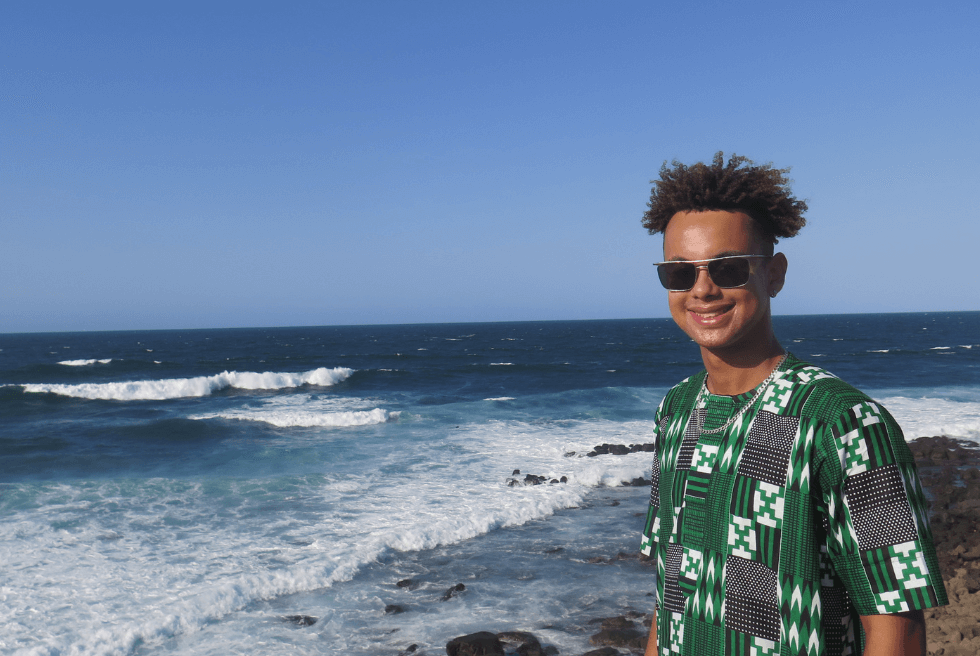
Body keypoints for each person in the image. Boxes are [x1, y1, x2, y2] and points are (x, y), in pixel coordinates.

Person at [638, 153, 947, 656]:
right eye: (678, 274)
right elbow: (670, 594)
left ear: (775, 274)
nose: (702, 289)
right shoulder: (675, 411)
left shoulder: (845, 422)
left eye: (728, 267)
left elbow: (898, 625)